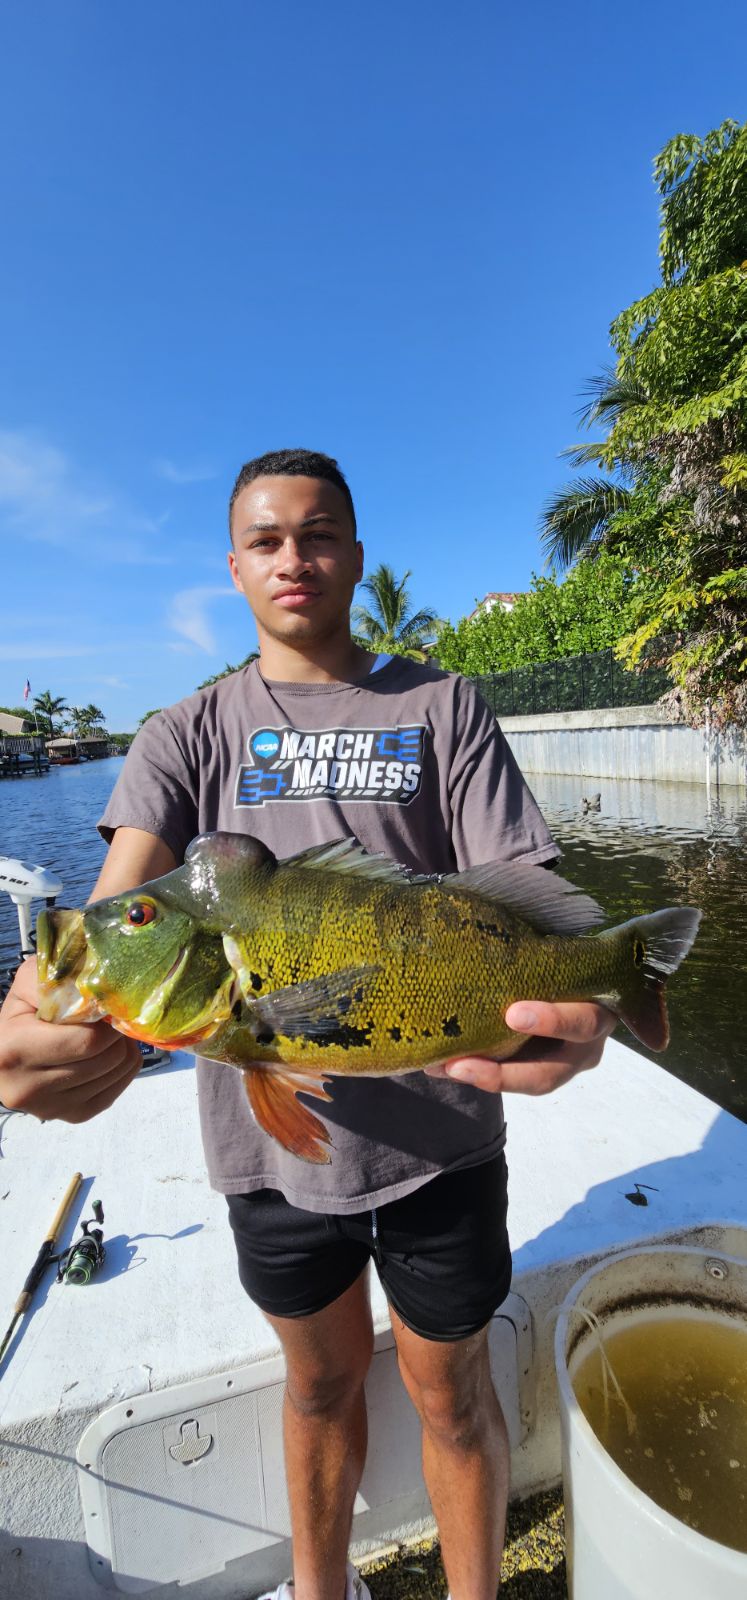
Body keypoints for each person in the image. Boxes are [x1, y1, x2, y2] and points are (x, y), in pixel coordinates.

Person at [0, 449, 614, 1600]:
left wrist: (572, 1006)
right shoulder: (186, 732)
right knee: (319, 1389)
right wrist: (35, 1008)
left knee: (450, 1389)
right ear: (233, 567)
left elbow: (520, 897)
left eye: (319, 533)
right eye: (269, 539)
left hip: (445, 1137)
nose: (296, 557)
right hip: (270, 1160)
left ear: (357, 556)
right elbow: (113, 910)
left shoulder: (443, 704)